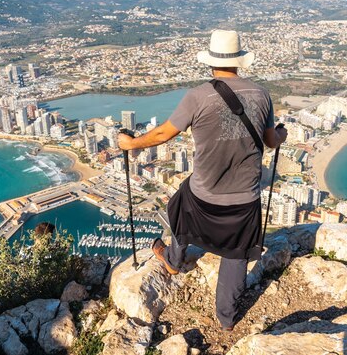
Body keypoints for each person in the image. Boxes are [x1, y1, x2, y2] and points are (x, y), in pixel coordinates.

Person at [118, 30, 287, 331]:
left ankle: (173, 259)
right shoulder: (262, 95)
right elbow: (272, 140)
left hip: (204, 196)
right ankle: (226, 319)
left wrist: (130, 145)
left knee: (178, 204)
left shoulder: (198, 96)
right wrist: (282, 134)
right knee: (236, 256)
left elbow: (162, 134)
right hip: (245, 200)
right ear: (239, 62)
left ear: (210, 62)